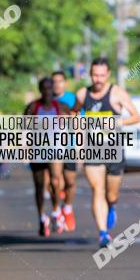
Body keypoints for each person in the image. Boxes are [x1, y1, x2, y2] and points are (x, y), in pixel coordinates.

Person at [73, 58, 140, 248]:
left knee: (112, 194)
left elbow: (136, 117)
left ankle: (112, 206)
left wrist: (120, 122)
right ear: (90, 74)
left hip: (114, 149)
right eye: (95, 75)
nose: (98, 79)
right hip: (92, 149)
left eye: (102, 75)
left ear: (108, 75)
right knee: (97, 190)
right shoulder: (82, 94)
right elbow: (74, 114)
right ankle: (103, 233)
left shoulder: (117, 94)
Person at [24, 77, 72, 237]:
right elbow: (25, 130)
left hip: (55, 148)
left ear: (53, 89)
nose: (47, 91)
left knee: (56, 179)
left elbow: (73, 124)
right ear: (40, 90)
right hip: (38, 148)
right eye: (44, 88)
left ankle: (55, 210)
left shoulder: (61, 107)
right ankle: (41, 217)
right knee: (39, 186)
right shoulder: (32, 107)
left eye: (50, 88)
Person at [52, 70, 79, 231]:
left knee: (70, 182)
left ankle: (67, 208)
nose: (57, 84)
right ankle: (57, 214)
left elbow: (79, 122)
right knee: (55, 181)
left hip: (69, 146)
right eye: (54, 81)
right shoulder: (46, 101)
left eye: (60, 81)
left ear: (65, 83)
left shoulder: (72, 99)